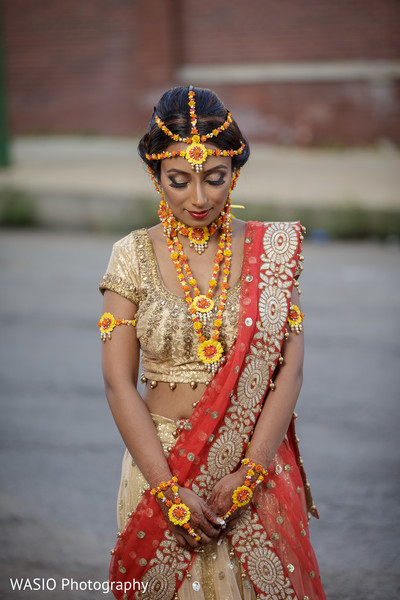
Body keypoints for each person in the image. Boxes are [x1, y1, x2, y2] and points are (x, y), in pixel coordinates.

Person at [98, 86, 326, 600]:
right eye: (178, 181)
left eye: (215, 178)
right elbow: (117, 383)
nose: (199, 199)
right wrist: (165, 489)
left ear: (234, 172)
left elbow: (289, 370)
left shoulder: (270, 251)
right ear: (155, 175)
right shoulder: (131, 254)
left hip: (250, 464)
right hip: (160, 462)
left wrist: (251, 471)